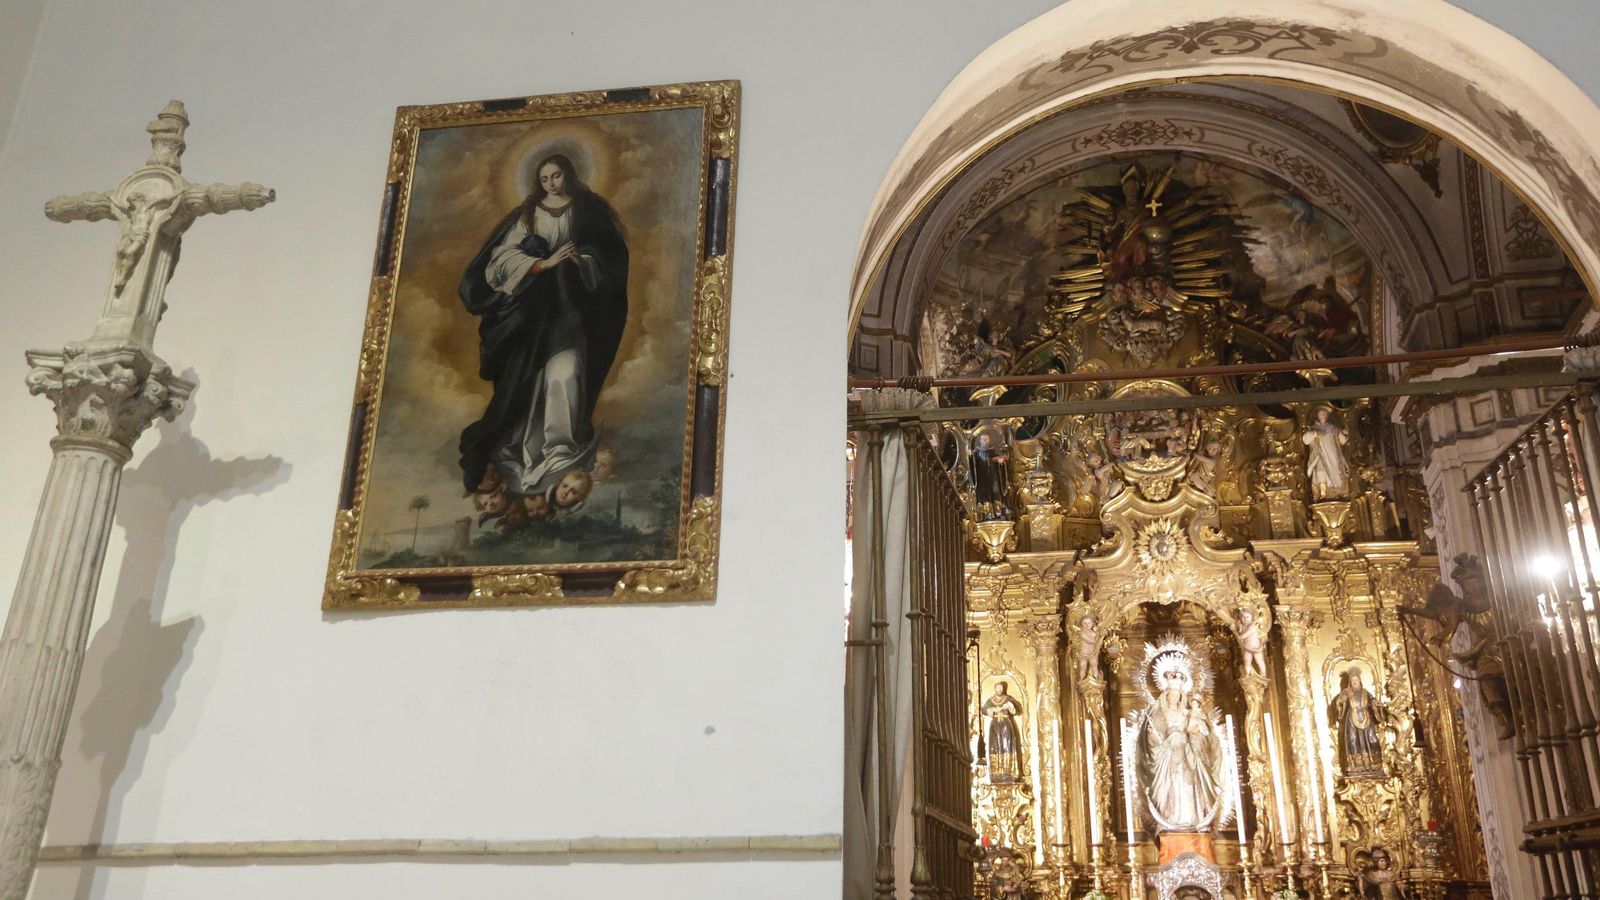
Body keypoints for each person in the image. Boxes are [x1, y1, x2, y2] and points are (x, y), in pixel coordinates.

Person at [457, 153, 629, 513]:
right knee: (527, 382)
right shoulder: (528, 214)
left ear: (568, 174)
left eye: (557, 175)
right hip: (532, 315)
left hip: (572, 312)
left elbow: (611, 259)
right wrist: (542, 263)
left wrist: (581, 262)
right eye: (545, 178)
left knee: (564, 375)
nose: (551, 183)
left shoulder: (589, 211)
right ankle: (524, 448)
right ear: (538, 182)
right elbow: (501, 260)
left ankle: (559, 447)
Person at [1141, 658, 1222, 831]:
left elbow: (1202, 734)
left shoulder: (1188, 712)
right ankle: (1171, 820)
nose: (1175, 696)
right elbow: (1152, 740)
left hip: (1188, 757)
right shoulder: (1158, 715)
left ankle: (1192, 820)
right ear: (1166, 693)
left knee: (1189, 786)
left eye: (1178, 693)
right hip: (1168, 759)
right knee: (1171, 787)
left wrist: (1195, 735)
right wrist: (1168, 741)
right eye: (1172, 692)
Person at [1330, 666, 1385, 778]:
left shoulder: (1365, 692)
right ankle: (1355, 765)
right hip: (1352, 720)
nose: (1355, 682)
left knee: (1372, 739)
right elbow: (1339, 703)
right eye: (1352, 681)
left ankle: (1374, 763)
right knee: (1353, 740)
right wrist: (1340, 702)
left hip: (1366, 718)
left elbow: (1372, 701)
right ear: (1350, 682)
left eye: (1356, 680)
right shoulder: (1346, 692)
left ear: (1360, 681)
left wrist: (1375, 704)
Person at [1303, 406, 1351, 500]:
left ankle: (1335, 492)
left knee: (1335, 472)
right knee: (1321, 472)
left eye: (1325, 414)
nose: (1323, 415)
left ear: (1327, 415)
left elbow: (1343, 441)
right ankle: (1323, 493)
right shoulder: (1313, 428)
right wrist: (1315, 434)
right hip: (1319, 456)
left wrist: (1345, 433)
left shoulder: (1333, 428)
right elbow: (1306, 440)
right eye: (1321, 414)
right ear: (1317, 415)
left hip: (1333, 456)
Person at [984, 682, 1024, 784]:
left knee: (1007, 745)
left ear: (1003, 689)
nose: (999, 690)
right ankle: (996, 772)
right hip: (995, 726)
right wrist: (991, 709)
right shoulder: (991, 700)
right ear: (995, 689)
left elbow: (1017, 709)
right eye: (997, 688)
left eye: (1001, 688)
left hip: (1006, 725)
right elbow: (984, 709)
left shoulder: (1008, 699)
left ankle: (1008, 770)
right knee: (995, 747)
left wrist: (1010, 707)